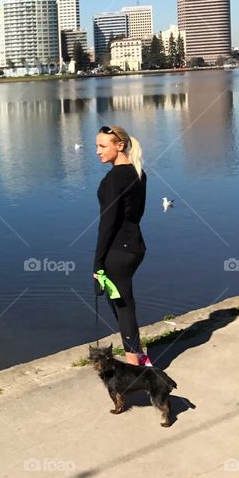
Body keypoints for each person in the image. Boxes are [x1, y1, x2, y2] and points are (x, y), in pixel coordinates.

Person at [92, 125, 151, 367]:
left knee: (123, 307)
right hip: (135, 246)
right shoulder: (138, 172)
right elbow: (137, 213)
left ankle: (135, 365)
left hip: (117, 251)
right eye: (97, 145)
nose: (97, 151)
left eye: (102, 146)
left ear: (120, 146)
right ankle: (143, 360)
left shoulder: (114, 178)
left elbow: (107, 224)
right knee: (123, 304)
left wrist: (97, 264)